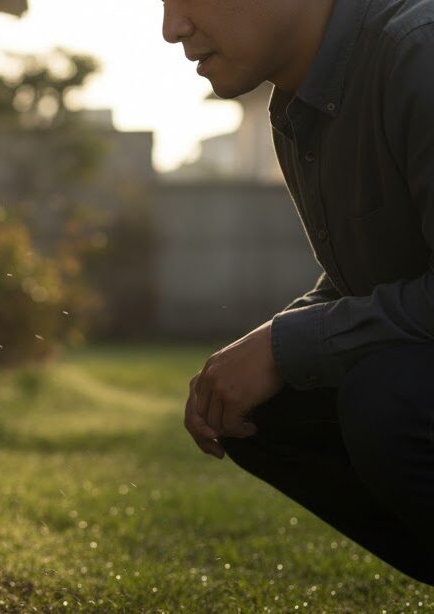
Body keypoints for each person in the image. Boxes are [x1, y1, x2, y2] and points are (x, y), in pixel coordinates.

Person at [163, 0, 434, 585]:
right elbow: (372, 274)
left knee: (390, 399)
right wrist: (273, 343)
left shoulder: (420, 52)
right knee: (259, 406)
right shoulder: (302, 105)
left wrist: (290, 344)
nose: (171, 28)